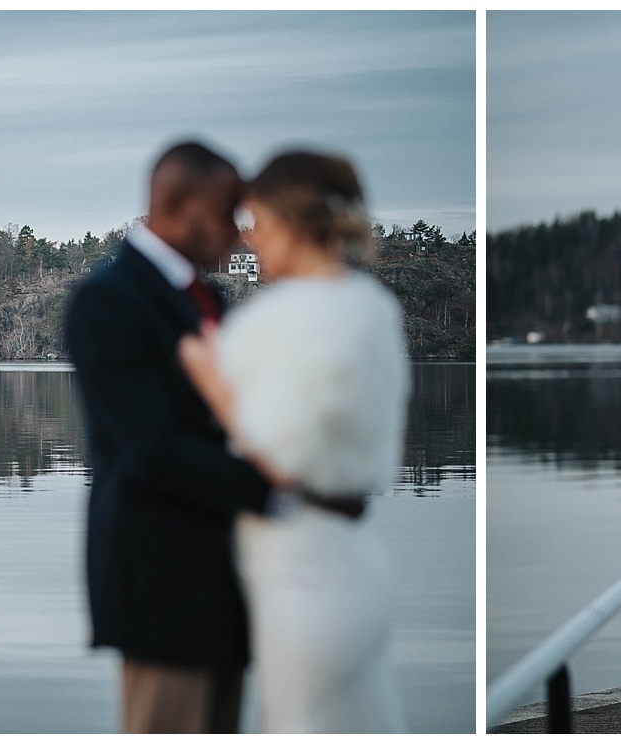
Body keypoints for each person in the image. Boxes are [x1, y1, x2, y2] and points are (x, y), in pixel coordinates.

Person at [178, 150, 410, 732]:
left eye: (255, 222)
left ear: (288, 223)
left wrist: (213, 384)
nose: (248, 240)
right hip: (349, 559)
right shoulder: (371, 307)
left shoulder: (295, 318)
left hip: (305, 579)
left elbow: (279, 460)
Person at [63, 141, 271, 733]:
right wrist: (279, 491)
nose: (238, 230)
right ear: (176, 202)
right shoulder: (107, 301)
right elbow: (149, 453)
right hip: (160, 586)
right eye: (227, 210)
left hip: (229, 580)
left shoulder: (214, 298)